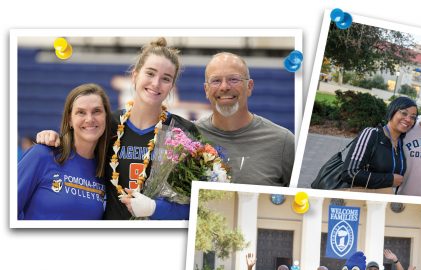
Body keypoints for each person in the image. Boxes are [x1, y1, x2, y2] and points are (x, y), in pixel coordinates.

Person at [37, 38, 199, 220]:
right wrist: (53, 138)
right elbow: (73, 157)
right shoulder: (106, 124)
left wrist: (155, 208)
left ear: (171, 86)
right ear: (135, 75)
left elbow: (198, 205)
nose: (156, 83)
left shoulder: (183, 133)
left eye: (166, 79)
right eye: (150, 73)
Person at [196, 52, 295, 186]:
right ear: (206, 90)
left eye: (234, 79)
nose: (224, 87)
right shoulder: (189, 137)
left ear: (249, 86)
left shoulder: (283, 142)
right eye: (216, 81)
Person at [18, 84, 110, 220]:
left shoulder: (106, 171)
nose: (89, 119)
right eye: (81, 112)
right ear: (70, 120)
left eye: (96, 111)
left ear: (106, 117)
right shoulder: (43, 155)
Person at [341, 97, 417, 192]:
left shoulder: (403, 142)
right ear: (392, 111)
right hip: (362, 200)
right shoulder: (371, 134)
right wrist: (390, 180)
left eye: (413, 117)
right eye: (404, 113)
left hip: (386, 201)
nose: (408, 119)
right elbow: (350, 173)